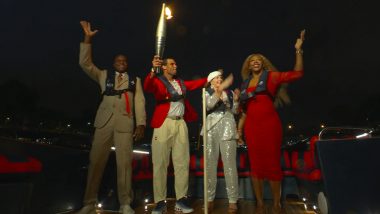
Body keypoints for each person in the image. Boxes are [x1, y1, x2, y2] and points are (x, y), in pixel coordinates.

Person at [76, 21, 146, 214]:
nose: (122, 63)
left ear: (127, 64)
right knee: (96, 161)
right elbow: (85, 64)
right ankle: (89, 202)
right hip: (104, 123)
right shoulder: (104, 75)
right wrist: (87, 39)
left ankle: (125, 203)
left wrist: (141, 124)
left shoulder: (135, 80)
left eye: (125, 61)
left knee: (124, 164)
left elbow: (139, 102)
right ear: (114, 63)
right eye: (118, 61)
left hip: (125, 124)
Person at [238, 30, 305, 214]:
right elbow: (242, 111)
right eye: (252, 60)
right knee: (256, 165)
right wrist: (239, 131)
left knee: (273, 163)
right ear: (248, 66)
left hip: (270, 125)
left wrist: (298, 50)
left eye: (258, 59)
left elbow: (298, 73)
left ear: (263, 63)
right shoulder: (244, 85)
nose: (255, 61)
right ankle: (259, 204)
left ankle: (276, 204)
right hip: (251, 128)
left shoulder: (272, 77)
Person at [144, 56, 207, 214]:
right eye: (172, 64)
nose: (176, 66)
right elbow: (148, 86)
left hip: (180, 124)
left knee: (182, 163)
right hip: (163, 123)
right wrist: (152, 70)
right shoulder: (158, 81)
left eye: (176, 63)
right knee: (160, 164)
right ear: (164, 67)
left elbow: (196, 84)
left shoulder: (181, 83)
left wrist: (212, 76)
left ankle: (181, 200)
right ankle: (160, 202)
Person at [202, 71, 240, 213]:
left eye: (221, 78)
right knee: (210, 164)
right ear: (211, 81)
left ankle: (232, 199)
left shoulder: (228, 92)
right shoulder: (206, 92)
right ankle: (209, 198)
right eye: (216, 78)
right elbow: (209, 105)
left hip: (228, 126)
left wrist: (236, 100)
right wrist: (219, 90)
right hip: (211, 127)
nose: (219, 79)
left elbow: (235, 111)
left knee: (229, 164)